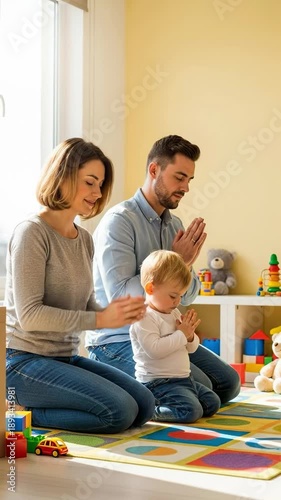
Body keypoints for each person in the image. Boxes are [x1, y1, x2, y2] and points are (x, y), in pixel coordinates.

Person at [5, 138, 155, 434]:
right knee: (120, 412)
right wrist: (100, 318)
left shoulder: (84, 238)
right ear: (63, 176)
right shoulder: (32, 233)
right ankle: (19, 413)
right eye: (90, 182)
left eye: (100, 184)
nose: (98, 193)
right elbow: (30, 316)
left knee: (145, 404)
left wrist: (117, 313)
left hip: (65, 357)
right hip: (22, 361)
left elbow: (84, 304)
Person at [85, 134, 240, 404]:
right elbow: (121, 296)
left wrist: (184, 264)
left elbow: (187, 295)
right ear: (154, 170)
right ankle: (126, 390)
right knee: (200, 390)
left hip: (167, 333)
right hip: (116, 340)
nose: (186, 188)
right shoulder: (119, 222)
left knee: (229, 383)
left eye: (189, 180)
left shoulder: (174, 225)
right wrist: (174, 260)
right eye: (179, 178)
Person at [130, 250, 221, 422]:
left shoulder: (173, 312)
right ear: (150, 288)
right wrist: (181, 334)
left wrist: (190, 336)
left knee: (212, 403)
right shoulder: (144, 316)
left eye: (180, 296)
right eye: (173, 295)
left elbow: (191, 348)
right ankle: (148, 409)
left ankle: (175, 401)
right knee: (190, 412)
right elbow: (154, 350)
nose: (177, 301)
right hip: (158, 383)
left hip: (183, 379)